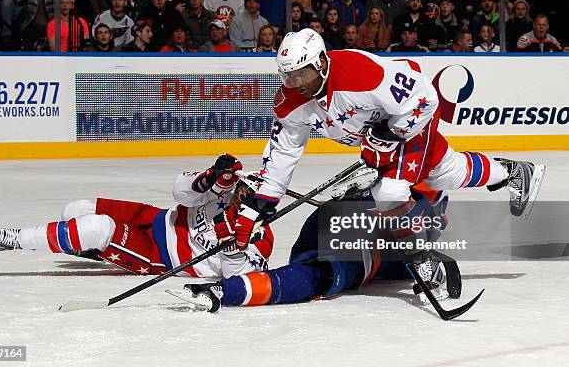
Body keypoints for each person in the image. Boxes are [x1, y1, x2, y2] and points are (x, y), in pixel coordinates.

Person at [225, 28, 545, 293]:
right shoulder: (290, 101)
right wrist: (260, 205)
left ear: (322, 62)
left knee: (389, 192)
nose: (295, 83)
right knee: (445, 172)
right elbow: (283, 153)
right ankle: (514, 172)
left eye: (302, 74)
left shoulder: (359, 74)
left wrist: (390, 135)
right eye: (288, 76)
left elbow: (425, 99)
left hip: (409, 118)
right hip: (382, 134)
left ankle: (422, 260)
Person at [0, 155, 274, 279]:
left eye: (249, 196)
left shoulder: (261, 237)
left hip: (161, 254)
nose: (240, 195)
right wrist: (207, 178)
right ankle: (91, 246)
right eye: (244, 188)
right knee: (75, 210)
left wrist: (232, 247)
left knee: (97, 227)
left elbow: (243, 276)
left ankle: (13, 240)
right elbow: (180, 192)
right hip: (156, 218)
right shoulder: (224, 189)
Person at [173, 188, 458, 312]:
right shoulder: (413, 219)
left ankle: (226, 287)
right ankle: (225, 290)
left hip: (333, 241)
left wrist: (431, 270)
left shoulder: (414, 244)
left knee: (313, 274)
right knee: (313, 278)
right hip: (342, 241)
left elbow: (433, 268)